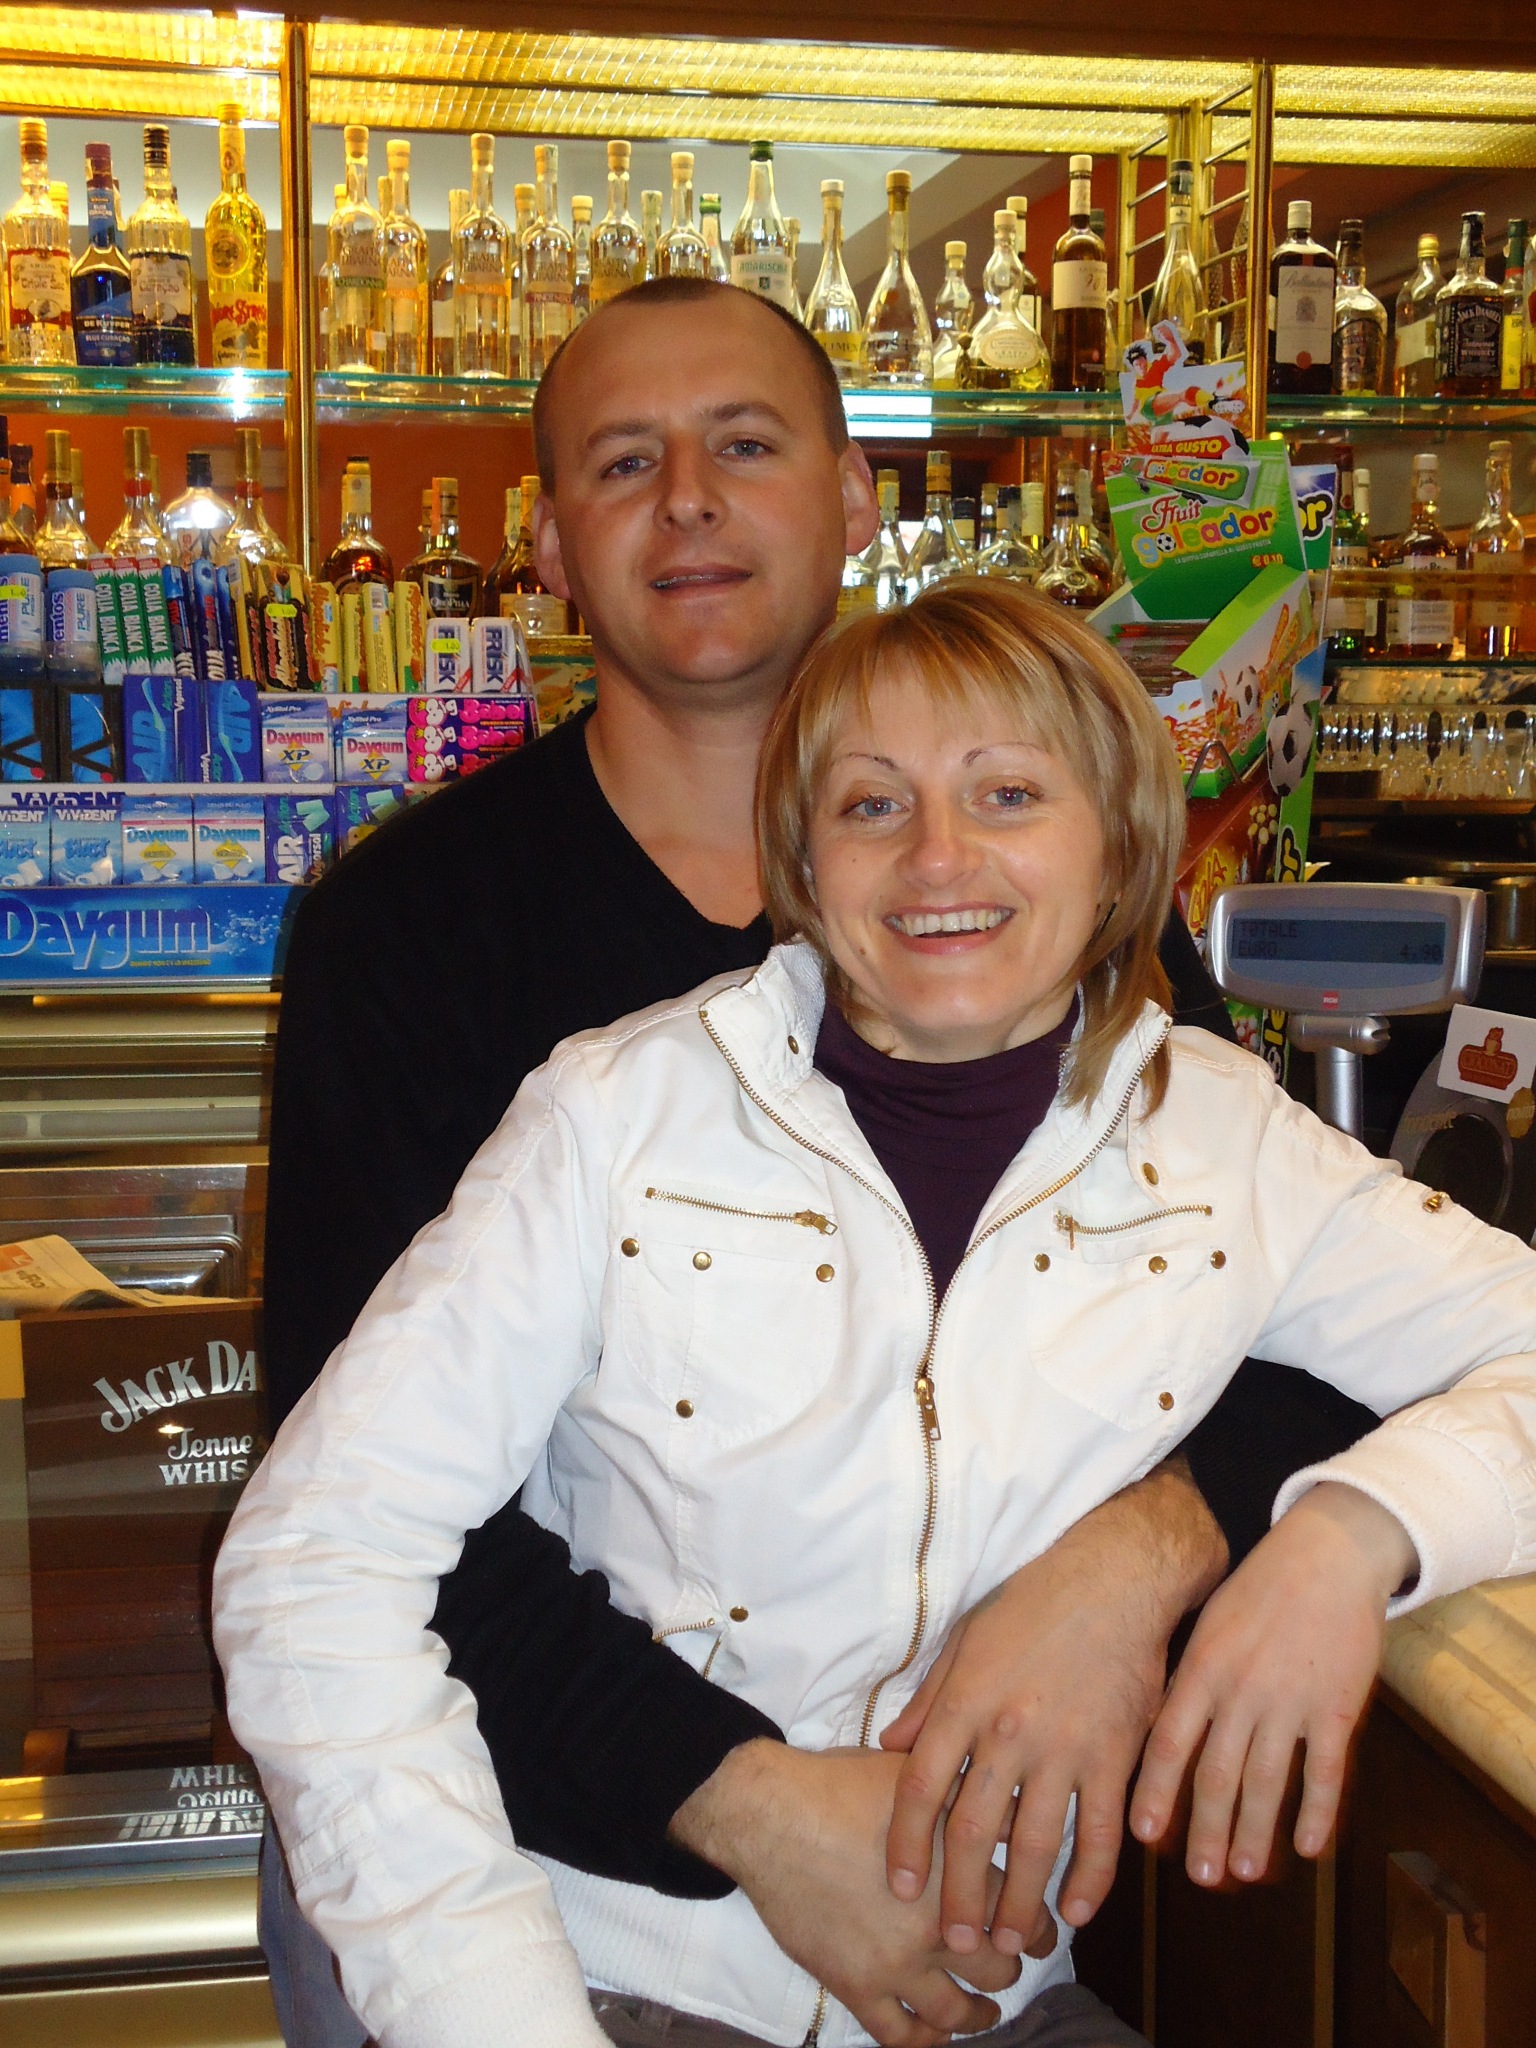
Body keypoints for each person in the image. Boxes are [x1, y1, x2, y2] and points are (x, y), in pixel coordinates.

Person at [255, 277, 1372, 2045]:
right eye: (626, 462)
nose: (690, 500)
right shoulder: (406, 933)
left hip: (959, 1910)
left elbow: (1298, 1304)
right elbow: (355, 1527)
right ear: (546, 544)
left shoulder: (1042, 916)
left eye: (747, 446)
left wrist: (1149, 1556)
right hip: (512, 1876)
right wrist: (753, 1805)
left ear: (858, 502)